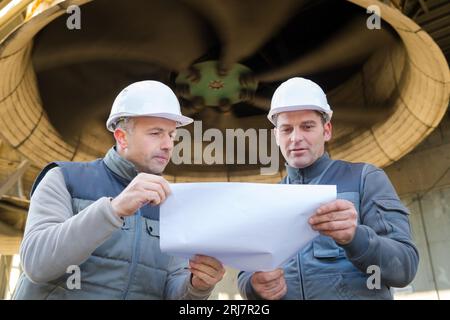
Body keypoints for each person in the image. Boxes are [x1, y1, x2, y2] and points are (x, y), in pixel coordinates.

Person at [13, 80, 225, 299]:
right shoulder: (64, 179)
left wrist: (197, 286)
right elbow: (37, 265)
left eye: (171, 135)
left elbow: (172, 288)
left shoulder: (172, 204)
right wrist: (113, 209)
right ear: (122, 137)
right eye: (156, 133)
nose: (168, 144)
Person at [237, 77, 419, 300]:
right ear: (276, 136)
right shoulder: (269, 200)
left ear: (326, 130)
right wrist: (253, 286)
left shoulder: (365, 179)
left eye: (307, 126)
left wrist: (356, 237)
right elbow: (246, 272)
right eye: (286, 129)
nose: (295, 138)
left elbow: (404, 269)